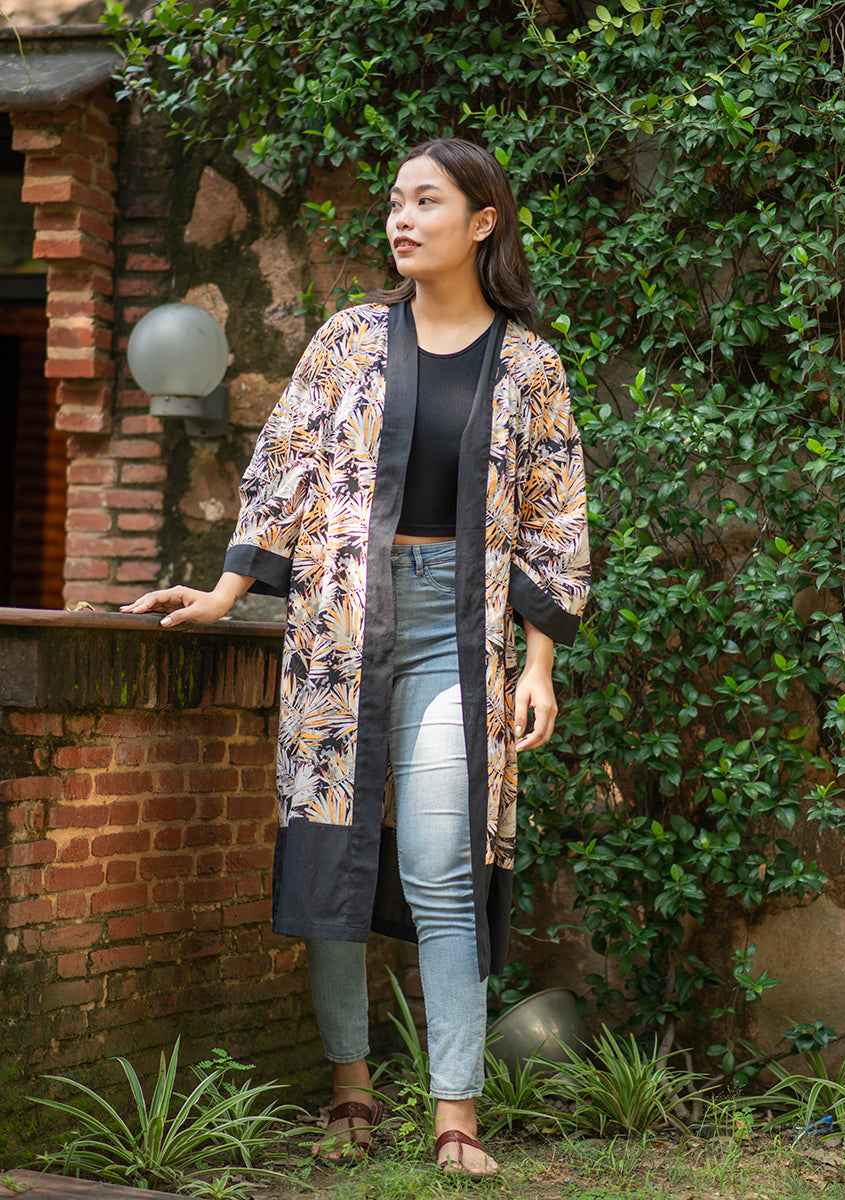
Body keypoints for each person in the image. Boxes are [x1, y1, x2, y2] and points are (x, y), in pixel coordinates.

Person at [119, 136, 591, 1178]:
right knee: (334, 854)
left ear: (483, 222)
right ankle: (350, 1088)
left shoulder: (531, 367)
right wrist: (227, 589)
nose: (401, 219)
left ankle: (456, 1116)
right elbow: (283, 464)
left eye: (426, 201)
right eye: (395, 202)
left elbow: (554, 519)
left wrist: (539, 664)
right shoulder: (348, 341)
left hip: (461, 635)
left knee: (443, 863)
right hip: (338, 628)